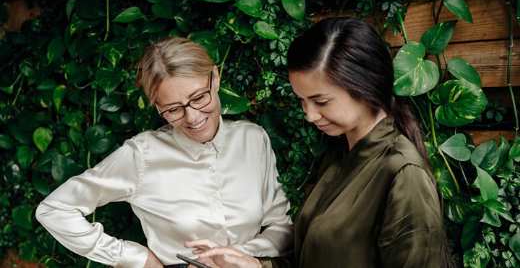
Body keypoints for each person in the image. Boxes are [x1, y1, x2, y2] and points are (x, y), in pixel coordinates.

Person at [192, 17, 450, 267]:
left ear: (365, 86)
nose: (310, 115)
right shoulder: (339, 155)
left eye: (321, 101)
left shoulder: (404, 174)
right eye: (302, 101)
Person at [35, 37, 292, 267]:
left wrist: (238, 256)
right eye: (173, 109)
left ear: (215, 77)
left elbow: (282, 226)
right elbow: (55, 210)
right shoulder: (141, 155)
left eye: (199, 97)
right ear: (156, 106)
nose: (192, 118)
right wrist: (137, 258)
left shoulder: (253, 139)